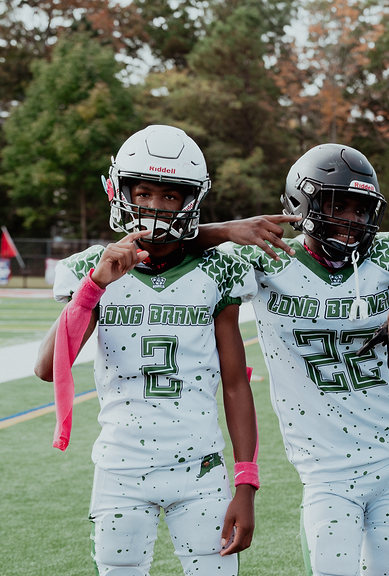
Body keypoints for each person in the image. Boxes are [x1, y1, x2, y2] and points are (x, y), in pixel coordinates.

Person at [195, 143, 389, 576]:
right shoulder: (269, 257)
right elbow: (169, 239)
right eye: (337, 205)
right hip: (325, 469)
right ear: (299, 203)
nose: (351, 220)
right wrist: (229, 228)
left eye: (361, 210)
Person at [34, 125, 259, 576]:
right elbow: (47, 367)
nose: (155, 207)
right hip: (120, 467)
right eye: (143, 192)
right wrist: (94, 286)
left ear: (191, 200)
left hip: (201, 466)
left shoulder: (218, 269)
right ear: (121, 192)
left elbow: (235, 384)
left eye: (171, 196)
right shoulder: (94, 268)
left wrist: (246, 483)